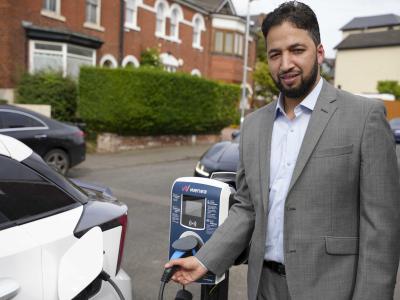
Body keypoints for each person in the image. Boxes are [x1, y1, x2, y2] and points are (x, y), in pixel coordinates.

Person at [165, 2, 400, 299]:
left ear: (319, 52)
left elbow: (381, 227)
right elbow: (247, 208)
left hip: (333, 289)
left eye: (296, 50)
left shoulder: (364, 116)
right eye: (275, 54)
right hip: (264, 287)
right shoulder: (253, 126)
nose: (285, 63)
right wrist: (204, 259)